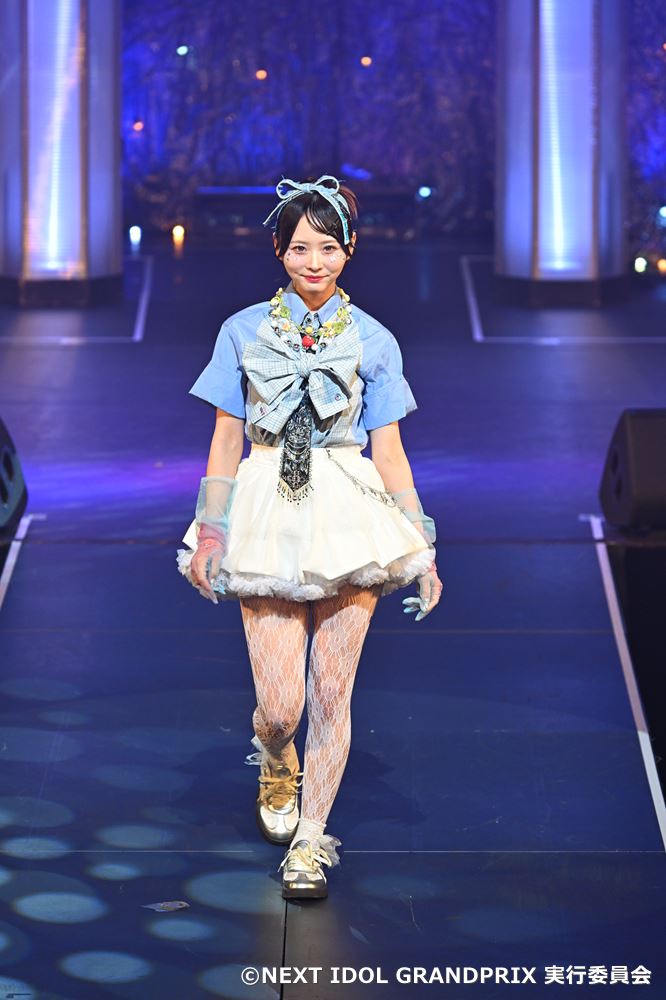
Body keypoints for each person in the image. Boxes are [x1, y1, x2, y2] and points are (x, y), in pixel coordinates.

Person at [176, 174, 443, 900]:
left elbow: (389, 451)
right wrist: (211, 530)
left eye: (328, 247)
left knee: (331, 692)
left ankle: (310, 843)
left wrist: (422, 545)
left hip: (348, 512)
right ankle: (276, 758)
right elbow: (225, 439)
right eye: (300, 248)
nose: (314, 262)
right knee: (280, 708)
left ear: (349, 251)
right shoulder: (242, 331)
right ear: (278, 251)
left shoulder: (374, 340)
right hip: (267, 507)